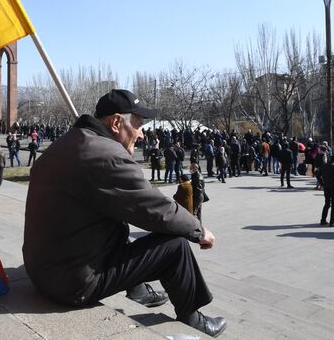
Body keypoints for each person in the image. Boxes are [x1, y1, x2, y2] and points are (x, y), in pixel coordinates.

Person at [22, 89, 226, 337]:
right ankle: (193, 319)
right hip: (73, 283)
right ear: (117, 122)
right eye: (138, 124)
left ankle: (138, 291)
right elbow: (153, 209)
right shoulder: (106, 156)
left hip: (44, 270)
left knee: (115, 224)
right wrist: (198, 229)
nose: (141, 134)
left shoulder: (66, 143)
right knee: (175, 246)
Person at [318, 154, 334, 226]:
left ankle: (323, 220)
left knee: (327, 203)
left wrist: (322, 183)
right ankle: (332, 222)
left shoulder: (324, 166)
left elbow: (318, 175)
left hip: (326, 186)